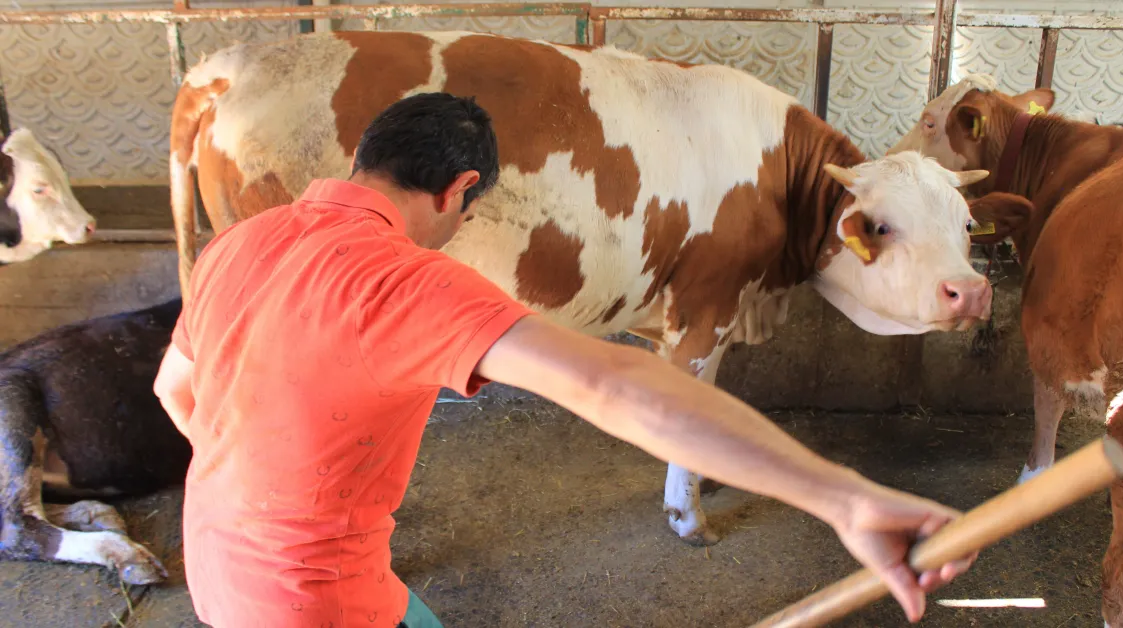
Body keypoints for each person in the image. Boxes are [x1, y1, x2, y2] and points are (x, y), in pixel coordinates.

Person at [154, 92, 974, 628]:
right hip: (315, 603)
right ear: (458, 191)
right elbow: (619, 383)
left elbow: (177, 392)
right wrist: (843, 498)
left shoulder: (241, 242)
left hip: (216, 570)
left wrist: (261, 486)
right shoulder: (407, 281)